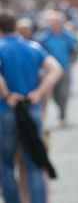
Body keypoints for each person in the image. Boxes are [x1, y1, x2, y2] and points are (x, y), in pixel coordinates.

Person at [0, 11, 62, 203]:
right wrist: (39, 92)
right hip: (31, 108)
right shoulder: (32, 46)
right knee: (35, 162)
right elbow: (56, 69)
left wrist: (7, 94)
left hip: (6, 110)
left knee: (6, 164)